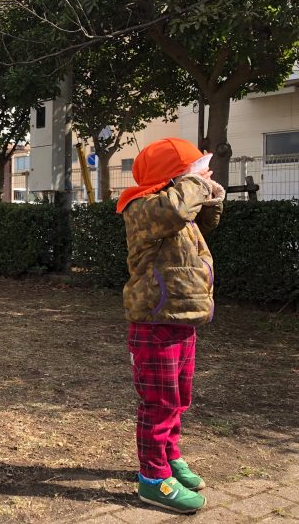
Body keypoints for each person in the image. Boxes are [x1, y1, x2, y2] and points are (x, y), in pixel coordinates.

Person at [117, 138, 225, 514]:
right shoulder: (144, 207)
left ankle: (169, 455)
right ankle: (152, 479)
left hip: (182, 319)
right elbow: (177, 209)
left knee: (178, 399)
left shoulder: (178, 204)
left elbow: (205, 219)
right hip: (155, 321)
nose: (199, 174)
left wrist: (211, 192)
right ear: (171, 176)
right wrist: (194, 182)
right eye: (192, 169)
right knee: (158, 404)